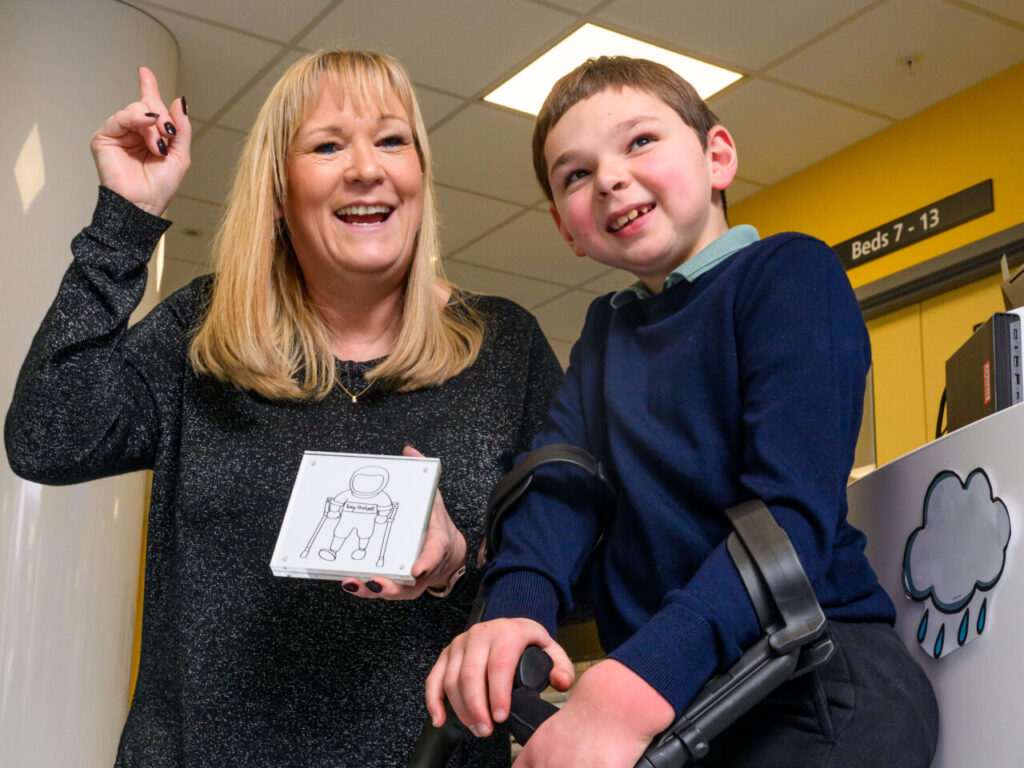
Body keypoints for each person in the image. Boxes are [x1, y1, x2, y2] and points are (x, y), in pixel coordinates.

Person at [4, 50, 562, 767]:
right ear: (277, 189)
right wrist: (127, 217)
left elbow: (574, 576)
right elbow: (50, 436)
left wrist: (465, 558)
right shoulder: (202, 332)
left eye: (392, 140)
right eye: (328, 145)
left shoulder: (502, 347)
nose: (367, 167)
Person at [425, 56, 939, 768]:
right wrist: (514, 613)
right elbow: (559, 493)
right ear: (566, 228)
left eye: (639, 142)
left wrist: (629, 693)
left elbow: (790, 515)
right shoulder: (606, 334)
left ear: (717, 155)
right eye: (575, 174)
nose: (608, 177)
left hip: (813, 683)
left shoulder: (787, 274)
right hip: (687, 699)